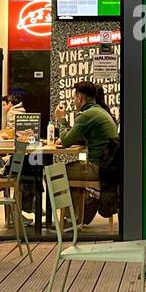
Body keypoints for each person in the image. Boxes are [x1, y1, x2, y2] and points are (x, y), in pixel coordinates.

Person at [54, 81, 120, 223]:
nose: (73, 101)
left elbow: (66, 141)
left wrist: (62, 119)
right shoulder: (100, 111)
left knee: (56, 174)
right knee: (69, 169)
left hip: (97, 167)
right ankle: (76, 216)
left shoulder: (87, 115)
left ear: (79, 98)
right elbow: (81, 137)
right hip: (107, 167)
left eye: (73, 98)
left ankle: (69, 218)